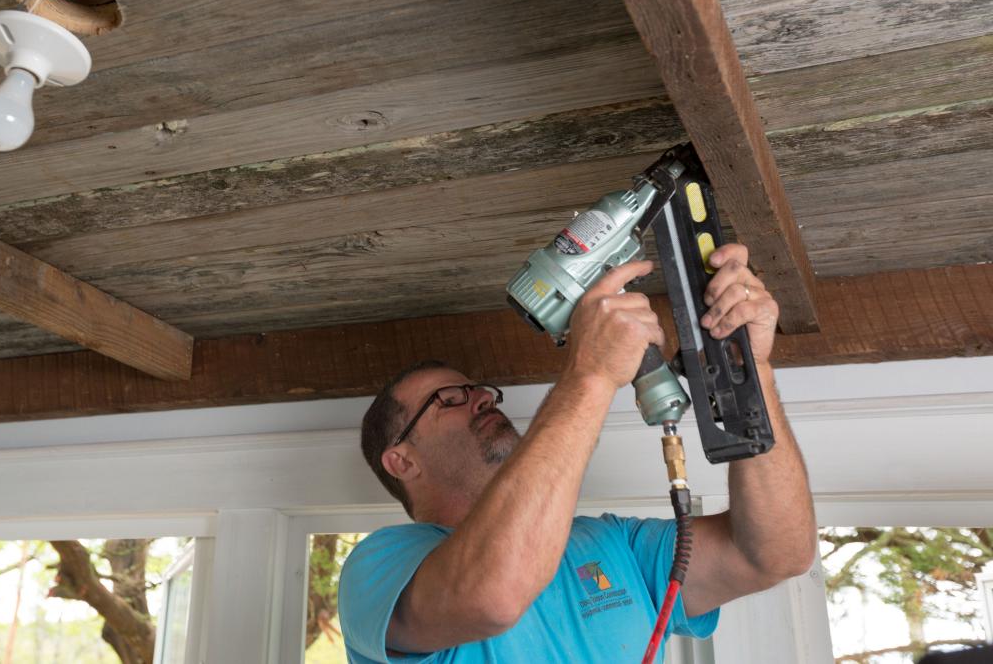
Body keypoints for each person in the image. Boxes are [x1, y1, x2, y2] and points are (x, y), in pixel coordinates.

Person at [339, 244, 817, 662]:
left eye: (479, 390)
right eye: (449, 399)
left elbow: (775, 554)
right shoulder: (379, 567)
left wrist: (748, 373)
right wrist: (589, 373)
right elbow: (492, 595)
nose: (482, 397)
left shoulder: (614, 545)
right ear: (401, 460)